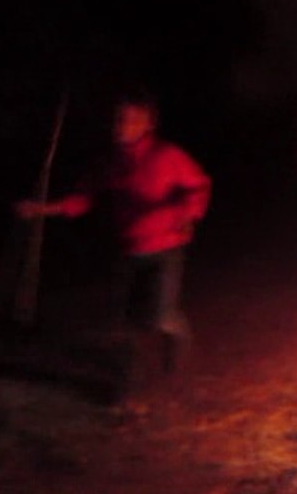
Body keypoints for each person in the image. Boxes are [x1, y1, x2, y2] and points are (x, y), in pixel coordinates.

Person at [16, 91, 211, 373]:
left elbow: (199, 184)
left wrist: (188, 213)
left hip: (166, 247)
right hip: (129, 248)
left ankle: (177, 335)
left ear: (148, 124)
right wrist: (42, 209)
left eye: (132, 120)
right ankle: (126, 380)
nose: (122, 126)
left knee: (158, 316)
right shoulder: (110, 163)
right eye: (119, 120)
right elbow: (83, 199)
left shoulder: (167, 156)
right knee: (127, 319)